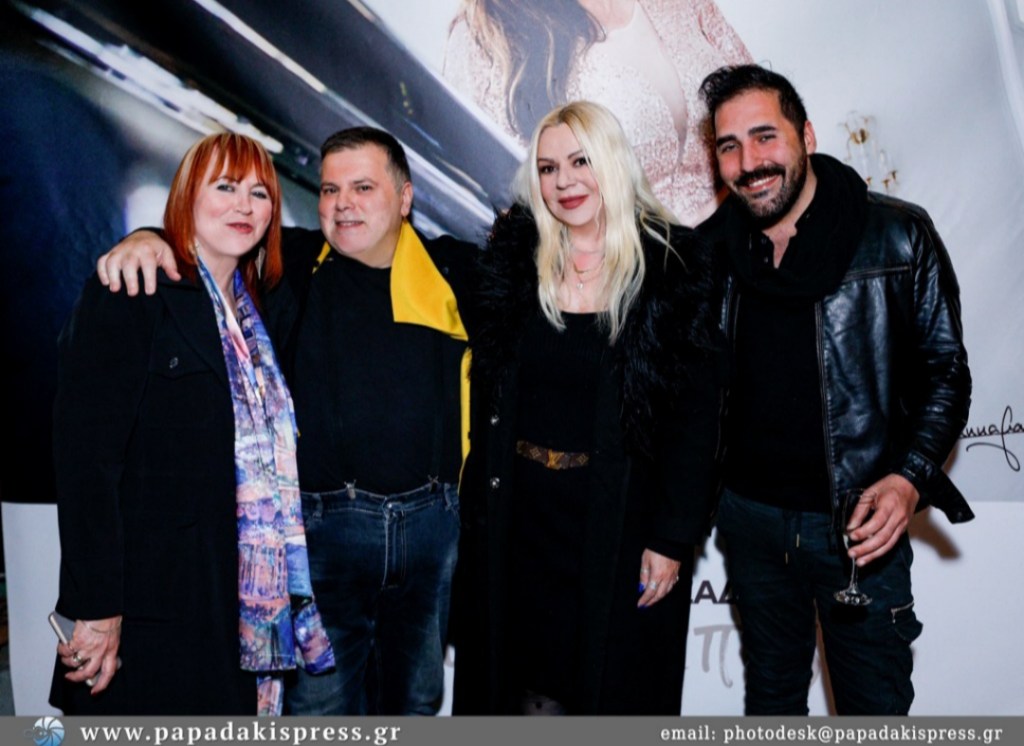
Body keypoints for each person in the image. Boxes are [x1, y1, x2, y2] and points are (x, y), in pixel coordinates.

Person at [95, 127, 475, 715]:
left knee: (414, 704)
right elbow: (209, 235)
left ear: (404, 198)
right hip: (323, 537)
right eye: (329, 189)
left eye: (363, 187)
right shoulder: (291, 263)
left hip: (431, 535)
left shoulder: (455, 270)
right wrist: (145, 238)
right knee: (318, 711)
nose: (342, 203)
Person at [697, 64, 973, 715]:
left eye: (765, 137)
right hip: (752, 524)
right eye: (730, 146)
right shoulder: (711, 253)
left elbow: (946, 373)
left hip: (860, 525)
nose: (749, 163)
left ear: (807, 136)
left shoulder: (897, 236)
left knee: (873, 711)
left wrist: (908, 478)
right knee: (771, 704)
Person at [49, 133, 334, 715]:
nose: (244, 205)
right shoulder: (134, 290)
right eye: (225, 187)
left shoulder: (263, 313)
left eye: (259, 193)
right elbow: (86, 462)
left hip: (233, 612)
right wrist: (97, 607)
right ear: (186, 196)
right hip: (147, 609)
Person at [452, 100, 719, 715]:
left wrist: (671, 537)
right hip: (522, 521)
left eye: (580, 162)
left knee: (608, 691)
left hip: (617, 521)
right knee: (516, 690)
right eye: (548, 169)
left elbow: (695, 422)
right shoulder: (514, 266)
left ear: (612, 163)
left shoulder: (670, 272)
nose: (564, 181)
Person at [443, 0, 752, 226]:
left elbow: (759, 109)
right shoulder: (487, 30)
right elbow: (501, 206)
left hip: (747, 244)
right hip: (622, 279)